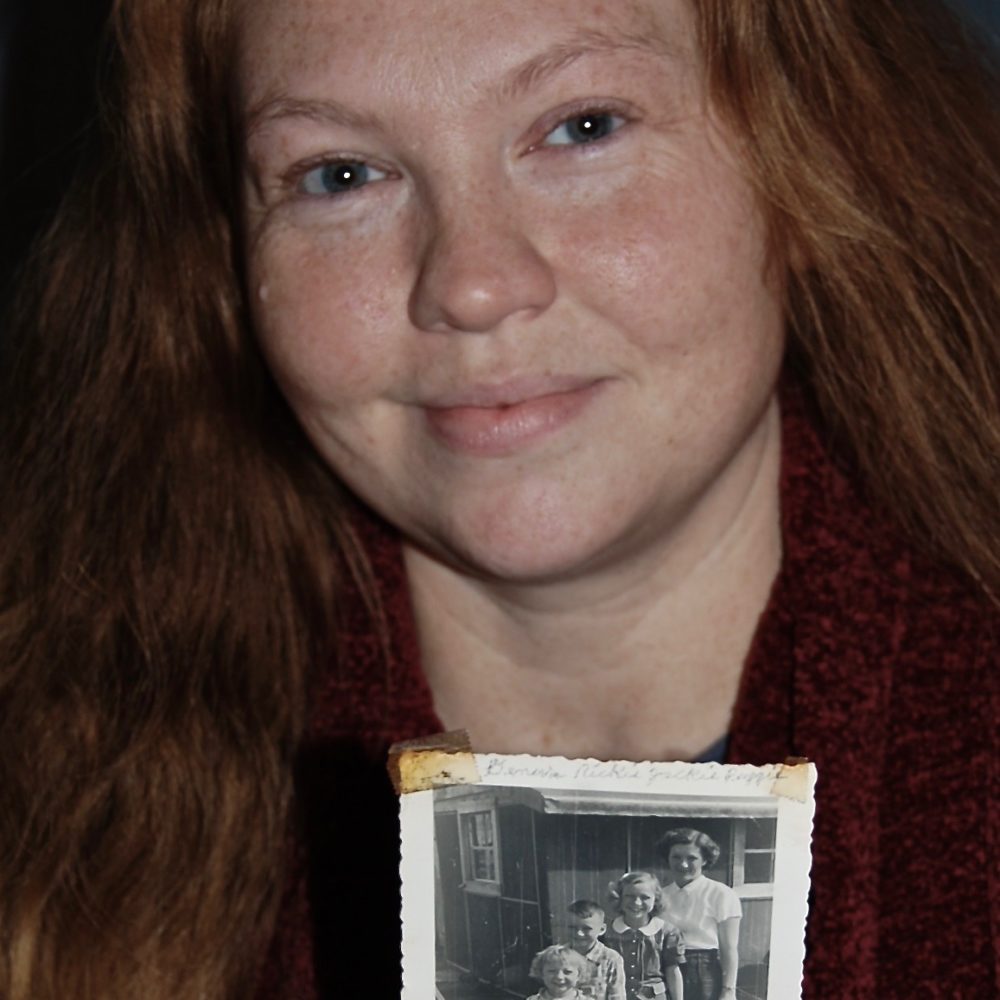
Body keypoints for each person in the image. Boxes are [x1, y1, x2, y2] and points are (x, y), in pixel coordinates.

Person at [0, 0, 996, 998]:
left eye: (583, 128)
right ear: (225, 259)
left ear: (810, 161)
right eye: (341, 175)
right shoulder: (48, 795)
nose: (471, 286)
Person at [655, 829, 741, 1000]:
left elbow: (729, 948)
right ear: (667, 858)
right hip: (664, 968)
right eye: (676, 857)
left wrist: (728, 990)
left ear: (705, 860)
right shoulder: (659, 895)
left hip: (703, 971)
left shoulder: (721, 893)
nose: (683, 864)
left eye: (692, 858)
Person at [602, 873, 685, 1000]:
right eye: (629, 896)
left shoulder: (667, 932)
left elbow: (672, 971)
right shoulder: (607, 932)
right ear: (619, 898)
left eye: (645, 897)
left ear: (656, 899)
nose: (637, 902)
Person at [566, 899, 627, 1000]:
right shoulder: (557, 956)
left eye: (587, 928)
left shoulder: (611, 959)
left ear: (602, 929)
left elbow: (617, 997)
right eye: (572, 928)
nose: (579, 933)